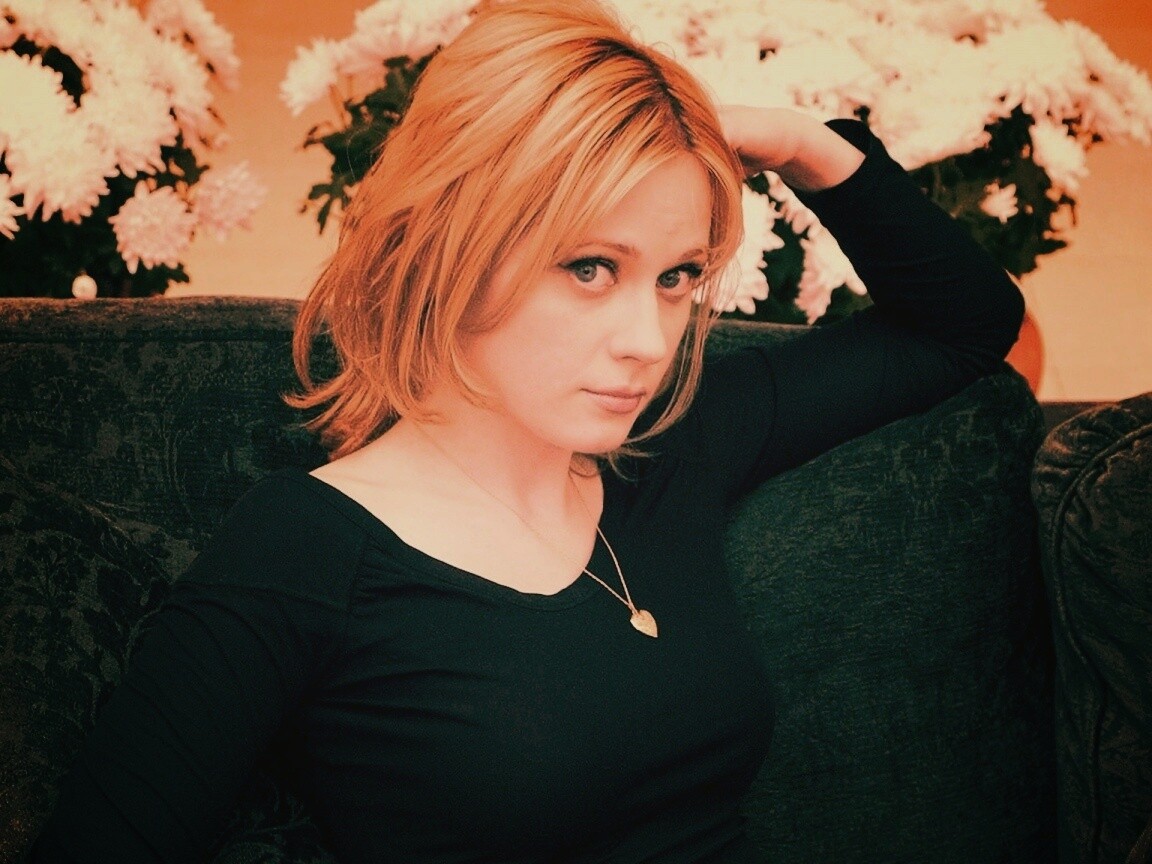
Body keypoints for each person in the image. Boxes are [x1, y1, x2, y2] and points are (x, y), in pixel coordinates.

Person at [31, 0, 1024, 861]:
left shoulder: (674, 445)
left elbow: (969, 325)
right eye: (590, 267)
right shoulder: (302, 549)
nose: (649, 342)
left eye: (677, 276)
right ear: (450, 250)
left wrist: (800, 141)